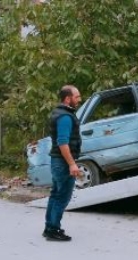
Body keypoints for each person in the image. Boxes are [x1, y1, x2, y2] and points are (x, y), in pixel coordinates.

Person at [43, 85, 82, 241]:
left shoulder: (59, 113)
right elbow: (63, 142)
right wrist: (72, 164)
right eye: (77, 97)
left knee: (55, 194)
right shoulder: (65, 117)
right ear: (68, 98)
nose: (79, 100)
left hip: (57, 160)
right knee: (62, 196)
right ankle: (53, 229)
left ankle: (49, 227)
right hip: (63, 162)